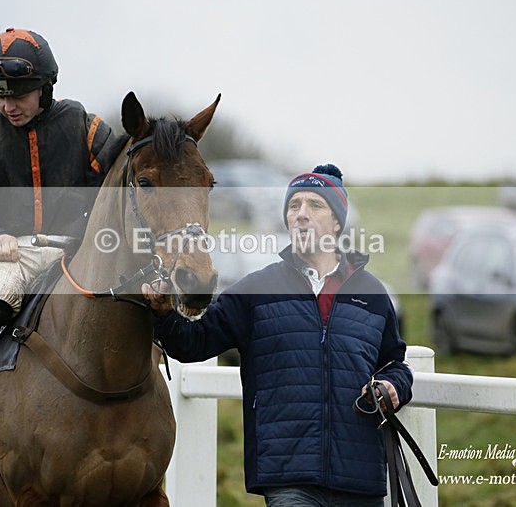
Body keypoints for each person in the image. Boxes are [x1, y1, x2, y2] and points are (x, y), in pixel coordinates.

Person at [142, 164, 413, 506]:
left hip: (360, 478)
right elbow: (193, 342)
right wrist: (164, 313)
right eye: (293, 206)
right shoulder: (257, 289)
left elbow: (395, 364)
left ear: (336, 223)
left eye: (315, 205)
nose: (301, 214)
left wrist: (394, 386)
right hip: (288, 476)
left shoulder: (372, 294)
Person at [0, 27, 117, 447]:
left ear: (45, 87)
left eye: (17, 95)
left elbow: (120, 182)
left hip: (73, 249)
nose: (6, 106)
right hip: (5, 256)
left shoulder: (87, 129)